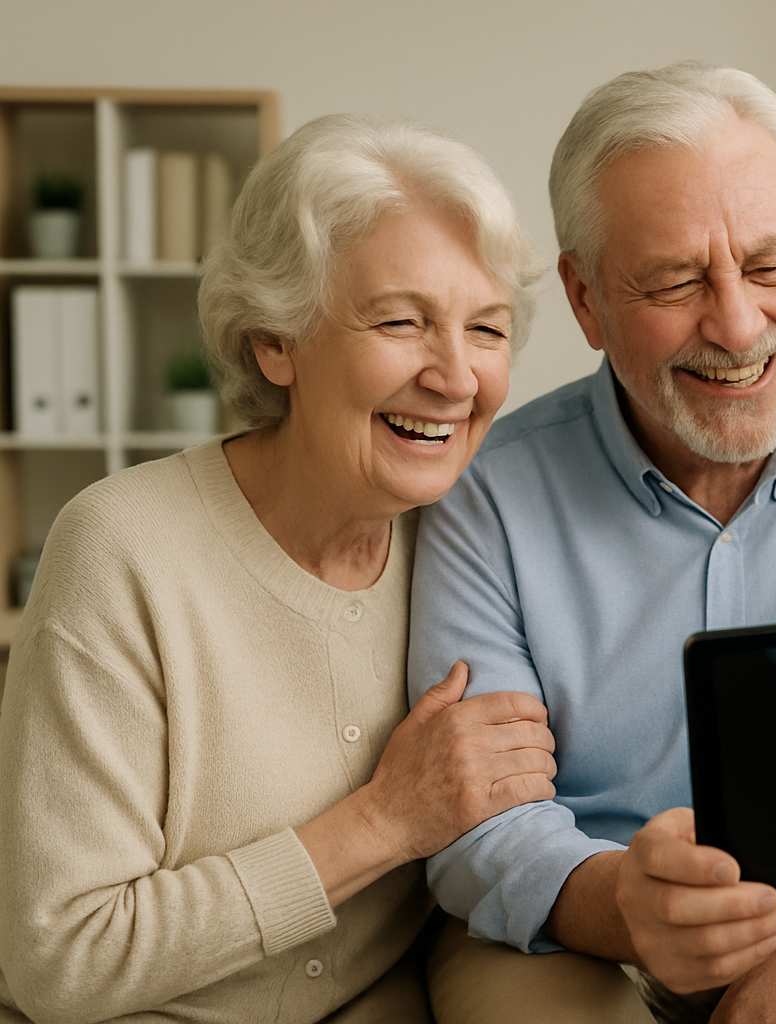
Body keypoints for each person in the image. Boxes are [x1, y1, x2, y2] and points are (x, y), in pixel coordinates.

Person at [407, 62, 776, 1022]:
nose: (737, 325)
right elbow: (481, 821)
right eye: (676, 281)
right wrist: (628, 907)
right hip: (586, 931)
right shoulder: (487, 493)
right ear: (585, 299)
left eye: (769, 268)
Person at [0, 114, 557, 1022]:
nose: (456, 377)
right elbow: (61, 960)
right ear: (274, 340)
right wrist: (383, 822)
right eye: (401, 320)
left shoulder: (470, 543)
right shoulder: (120, 548)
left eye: (486, 329)